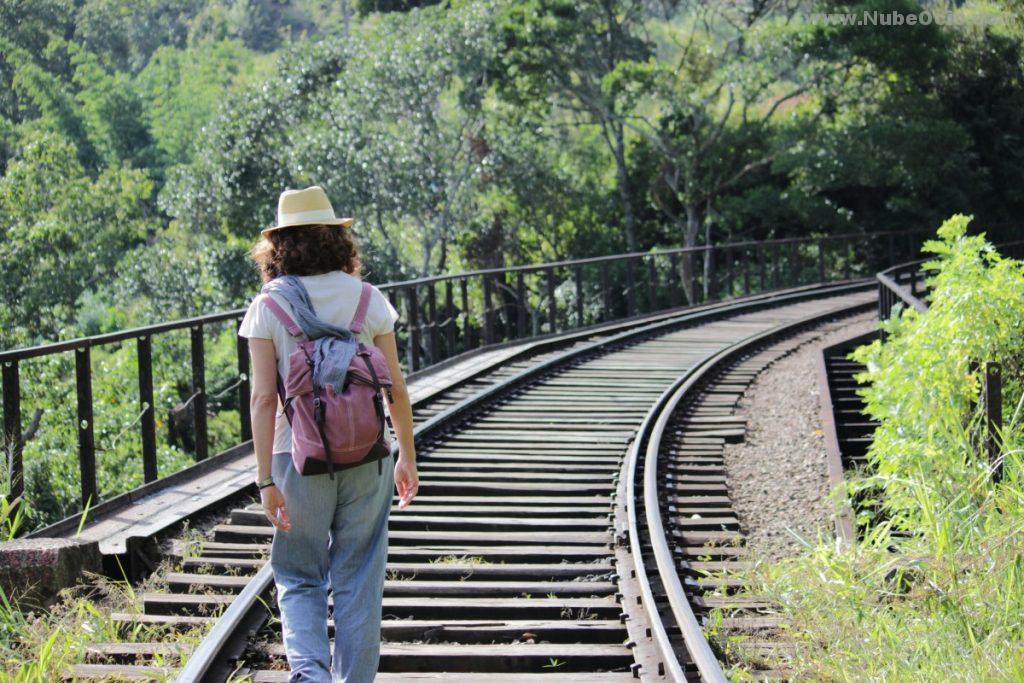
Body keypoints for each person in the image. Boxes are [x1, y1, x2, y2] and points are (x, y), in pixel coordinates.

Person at [238, 185, 419, 683]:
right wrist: (407, 454)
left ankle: (311, 675)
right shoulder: (368, 298)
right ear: (336, 239)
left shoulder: (267, 307)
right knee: (360, 573)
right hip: (369, 454)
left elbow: (262, 399)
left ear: (279, 245)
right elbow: (396, 389)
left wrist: (264, 481)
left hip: (294, 457)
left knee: (298, 573)